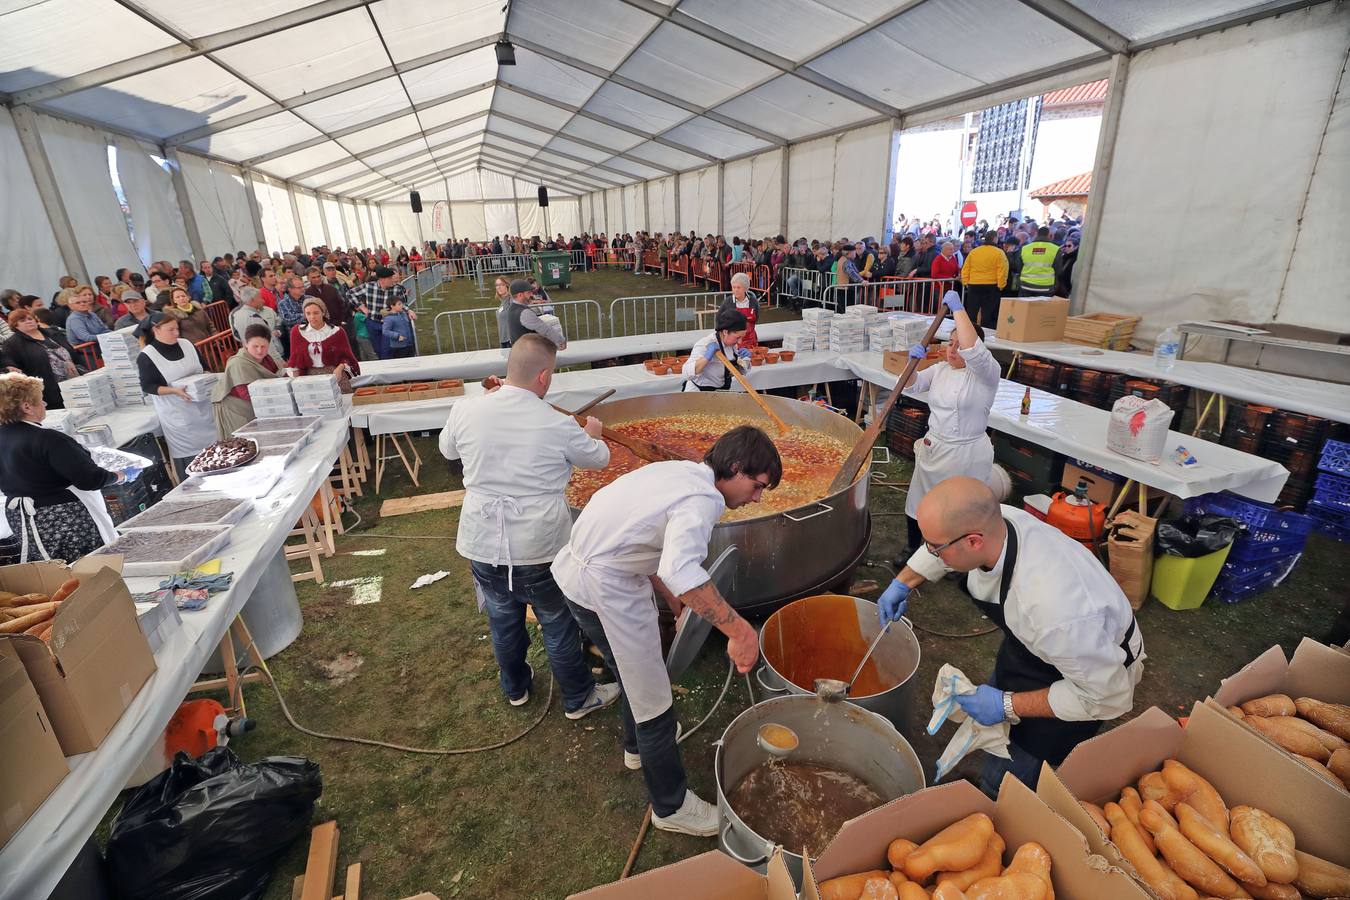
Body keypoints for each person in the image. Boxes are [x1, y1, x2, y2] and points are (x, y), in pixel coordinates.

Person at [553, 426, 777, 836]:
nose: (756, 498)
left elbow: (642, 541)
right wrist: (740, 631)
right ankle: (670, 807)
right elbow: (680, 568)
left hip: (578, 575)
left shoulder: (680, 472)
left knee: (632, 674)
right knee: (652, 695)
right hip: (605, 588)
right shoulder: (702, 500)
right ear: (736, 466)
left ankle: (638, 748)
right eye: (757, 486)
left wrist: (675, 602)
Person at [878, 476, 1144, 791]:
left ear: (974, 541)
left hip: (1090, 679)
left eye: (936, 550)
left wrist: (1005, 705)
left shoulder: (1052, 611)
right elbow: (944, 540)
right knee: (1000, 717)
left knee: (1009, 776)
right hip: (1035, 651)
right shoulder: (999, 521)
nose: (932, 555)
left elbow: (1109, 697)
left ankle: (999, 798)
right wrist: (904, 582)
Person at [438, 334, 619, 718]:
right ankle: (578, 698)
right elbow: (600, 459)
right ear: (543, 376)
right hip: (538, 545)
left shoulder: (466, 408)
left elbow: (447, 451)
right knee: (556, 622)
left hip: (482, 540)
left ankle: (515, 688)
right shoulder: (557, 424)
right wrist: (594, 434)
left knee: (502, 618)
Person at [895, 292, 1003, 556]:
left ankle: (960, 554)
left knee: (963, 507)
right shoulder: (941, 369)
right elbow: (909, 384)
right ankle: (913, 546)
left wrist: (959, 309)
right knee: (919, 498)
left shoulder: (987, 373)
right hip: (936, 447)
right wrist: (912, 362)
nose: (952, 349)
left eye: (958, 344)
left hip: (968, 453)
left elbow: (973, 351)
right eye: (949, 343)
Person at [0, 374, 133, 562]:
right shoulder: (49, 439)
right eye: (40, 400)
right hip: (63, 517)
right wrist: (121, 475)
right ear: (26, 407)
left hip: (22, 518)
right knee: (88, 568)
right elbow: (90, 479)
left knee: (54, 571)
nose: (45, 403)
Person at [136, 313, 216, 479]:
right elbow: (148, 386)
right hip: (178, 415)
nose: (176, 333)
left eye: (177, 329)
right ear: (156, 330)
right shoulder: (147, 356)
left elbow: (204, 366)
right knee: (193, 460)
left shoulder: (187, 344)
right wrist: (174, 390)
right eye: (170, 330)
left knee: (215, 452)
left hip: (204, 409)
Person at [211, 324, 283, 436]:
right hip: (236, 410)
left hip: (257, 405)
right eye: (255, 346)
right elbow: (247, 394)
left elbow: (276, 377)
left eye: (263, 346)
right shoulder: (238, 363)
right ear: (245, 344)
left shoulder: (267, 358)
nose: (259, 351)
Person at [1, 309, 77, 409]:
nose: (29, 321)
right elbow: (13, 365)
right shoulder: (12, 344)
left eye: (30, 318)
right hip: (49, 390)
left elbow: (71, 351)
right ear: (15, 326)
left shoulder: (52, 333)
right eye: (23, 320)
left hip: (74, 381)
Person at [288, 297, 360, 379]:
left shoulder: (337, 331)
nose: (312, 317)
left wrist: (339, 369)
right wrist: (297, 383)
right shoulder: (297, 332)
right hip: (309, 376)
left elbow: (347, 357)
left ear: (323, 312)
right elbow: (295, 360)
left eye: (316, 313)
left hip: (334, 373)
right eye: (308, 313)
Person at [347, 266, 409, 360]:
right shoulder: (368, 286)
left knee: (386, 351)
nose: (392, 280)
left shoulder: (397, 289)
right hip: (372, 323)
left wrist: (409, 311)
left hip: (388, 324)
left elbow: (402, 304)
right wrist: (362, 308)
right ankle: (385, 369)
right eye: (390, 278)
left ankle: (389, 370)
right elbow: (350, 293)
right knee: (378, 351)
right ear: (382, 280)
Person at [681, 308, 751, 392]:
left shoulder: (731, 344)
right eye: (738, 337)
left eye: (742, 337)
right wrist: (706, 357)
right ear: (725, 332)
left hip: (720, 392)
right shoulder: (705, 344)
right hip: (699, 393)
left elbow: (735, 372)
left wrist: (745, 361)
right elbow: (686, 374)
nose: (740, 341)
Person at [960, 231, 1010, 328]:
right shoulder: (999, 252)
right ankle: (986, 334)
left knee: (972, 311)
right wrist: (1001, 285)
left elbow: (966, 268)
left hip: (974, 284)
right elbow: (1003, 270)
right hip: (991, 285)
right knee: (988, 313)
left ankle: (969, 331)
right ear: (995, 239)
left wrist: (965, 282)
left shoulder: (974, 252)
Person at [504, 279, 566, 349]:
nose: (532, 294)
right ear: (520, 295)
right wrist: (561, 340)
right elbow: (545, 330)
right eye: (528, 292)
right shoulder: (524, 312)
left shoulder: (511, 308)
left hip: (519, 352)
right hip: (529, 354)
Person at [231, 285, 284, 359]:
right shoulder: (254, 318)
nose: (263, 301)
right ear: (252, 300)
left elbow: (237, 335)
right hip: (265, 357)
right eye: (260, 298)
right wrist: (278, 360)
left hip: (251, 355)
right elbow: (267, 343)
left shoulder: (237, 315)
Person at [719, 272, 760, 347]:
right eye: (734, 287)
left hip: (751, 341)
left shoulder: (753, 301)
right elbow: (719, 321)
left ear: (745, 288)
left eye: (738, 287)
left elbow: (756, 318)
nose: (736, 290)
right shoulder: (727, 302)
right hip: (734, 343)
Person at [1019, 227, 1060, 297]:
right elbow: (1058, 270)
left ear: (1037, 234)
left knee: (1025, 307)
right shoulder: (1055, 249)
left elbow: (1019, 266)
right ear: (1048, 235)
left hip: (1026, 285)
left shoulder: (1025, 248)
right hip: (1046, 287)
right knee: (1041, 308)